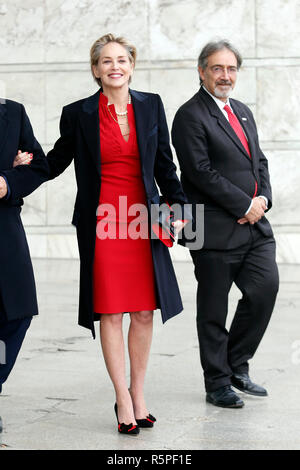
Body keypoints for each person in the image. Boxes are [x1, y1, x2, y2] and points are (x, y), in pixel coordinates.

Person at [16, 33, 190, 434]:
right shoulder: (78, 113)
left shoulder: (152, 105)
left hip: (143, 221)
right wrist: (19, 166)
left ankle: (139, 392)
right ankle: (122, 398)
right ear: (95, 69)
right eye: (106, 61)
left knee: (145, 312)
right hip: (102, 224)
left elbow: (166, 164)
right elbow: (56, 160)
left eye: (122, 60)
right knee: (110, 312)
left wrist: (178, 205)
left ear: (132, 65)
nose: (115, 66)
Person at [172, 40, 279, 408]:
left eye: (231, 68)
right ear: (202, 71)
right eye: (217, 68)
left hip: (255, 227)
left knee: (264, 291)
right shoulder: (190, 115)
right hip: (214, 229)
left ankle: (236, 365)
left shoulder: (243, 112)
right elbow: (198, 172)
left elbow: (258, 162)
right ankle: (217, 382)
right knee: (214, 310)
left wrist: (263, 198)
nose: (225, 75)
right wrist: (243, 204)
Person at [0, 98, 48, 431]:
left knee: (16, 314)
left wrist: (8, 180)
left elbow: (38, 165)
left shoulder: (12, 112)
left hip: (3, 228)